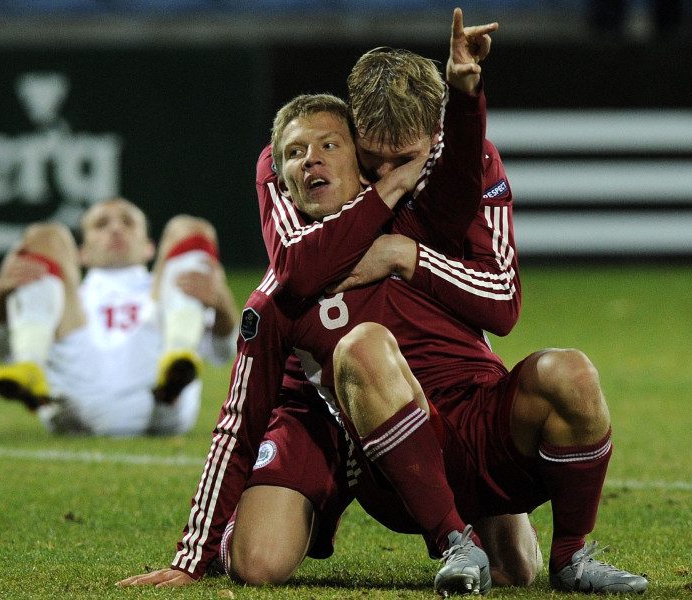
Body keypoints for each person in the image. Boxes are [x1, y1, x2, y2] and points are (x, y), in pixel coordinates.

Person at [119, 7, 496, 593]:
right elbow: (239, 416)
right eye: (297, 152)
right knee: (256, 567)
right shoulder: (285, 269)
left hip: (402, 402)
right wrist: (190, 557)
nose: (310, 157)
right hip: (311, 408)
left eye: (328, 144)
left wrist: (466, 96)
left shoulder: (414, 230)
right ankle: (328, 512)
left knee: (519, 567)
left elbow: (493, 285)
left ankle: (468, 529)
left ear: (359, 157)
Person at [0, 197, 239, 436]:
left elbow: (222, 351)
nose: (116, 229)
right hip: (77, 401)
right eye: (101, 224)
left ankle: (176, 364)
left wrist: (221, 301)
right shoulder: (58, 297)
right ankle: (30, 365)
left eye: (128, 223)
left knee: (190, 228)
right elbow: (1, 347)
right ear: (81, 253)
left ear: (150, 247)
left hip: (157, 396)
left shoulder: (173, 292)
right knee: (44, 236)